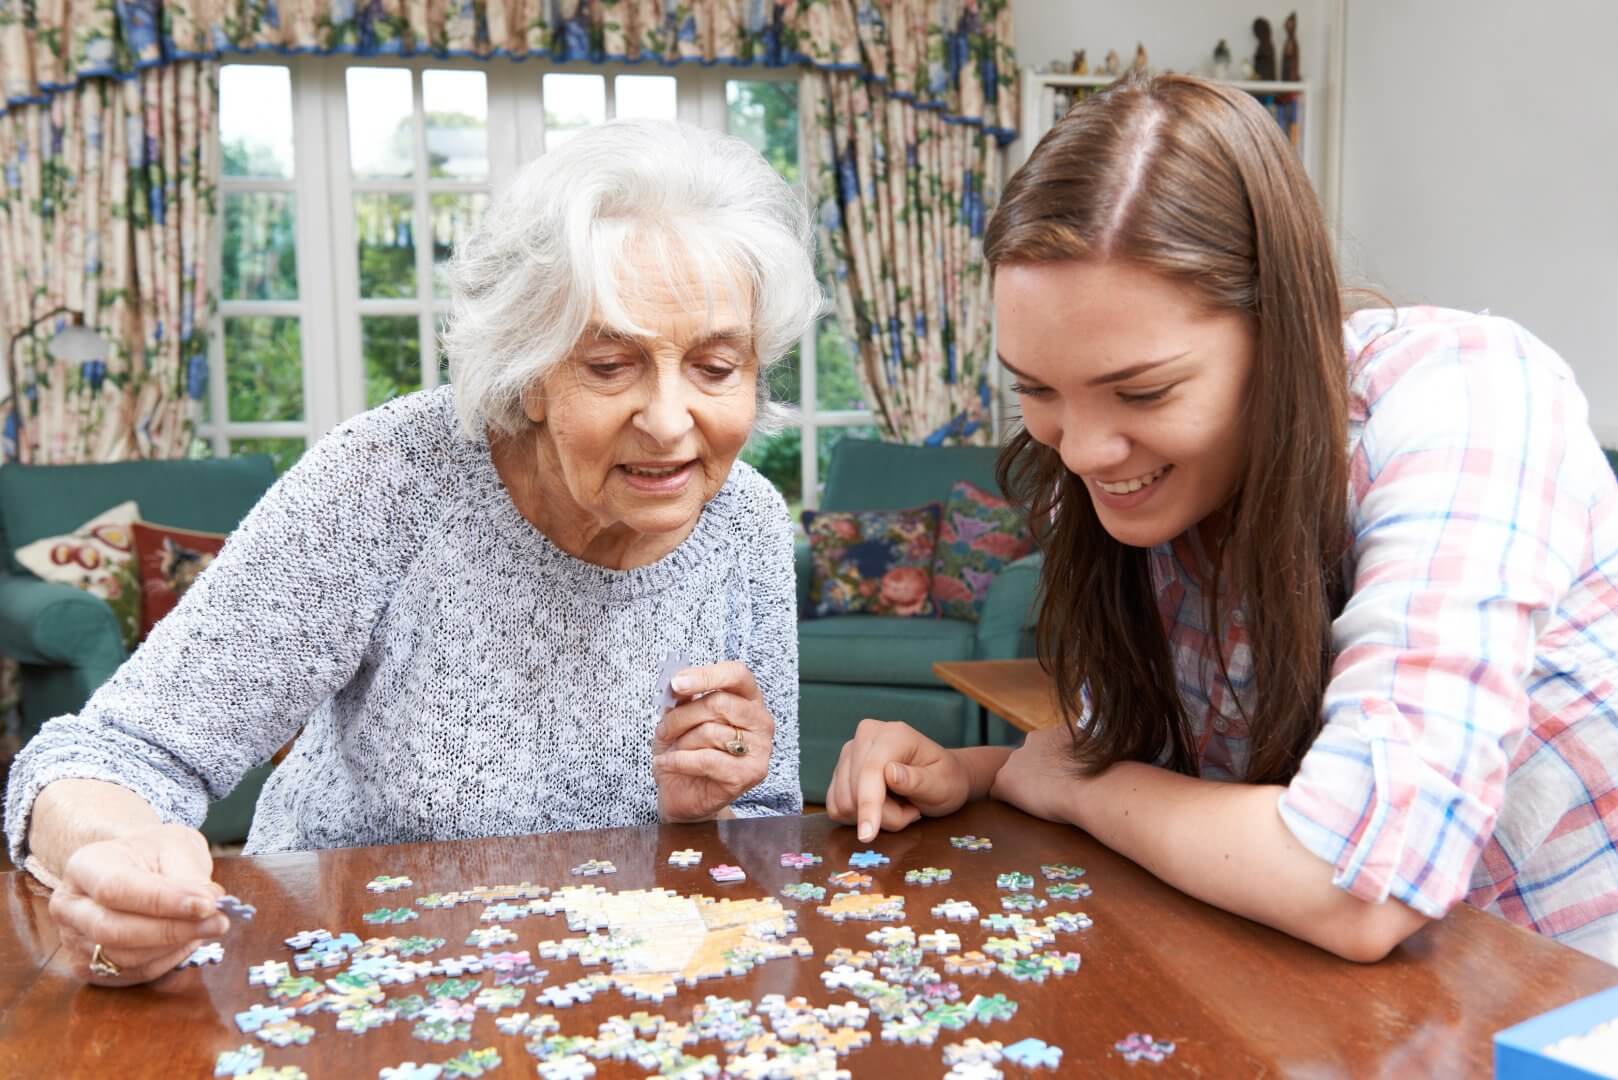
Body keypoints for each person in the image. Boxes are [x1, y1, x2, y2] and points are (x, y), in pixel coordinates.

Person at [827, 74, 1618, 965]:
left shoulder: (1470, 398)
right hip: (1329, 996)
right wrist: (961, 772)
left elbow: (1353, 884)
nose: (1082, 451)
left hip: (1562, 1000)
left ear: (1282, 328)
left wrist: (1079, 789)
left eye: (1143, 389)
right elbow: (1152, 776)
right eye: (1037, 389)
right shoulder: (1142, 480)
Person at [6, 119, 819, 984]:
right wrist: (116, 867)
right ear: (529, 374)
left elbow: (760, 833)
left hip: (608, 992)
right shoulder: (390, 478)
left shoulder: (749, 521)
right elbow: (108, 755)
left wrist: (705, 804)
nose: (667, 420)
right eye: (611, 365)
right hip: (346, 976)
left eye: (715, 366)